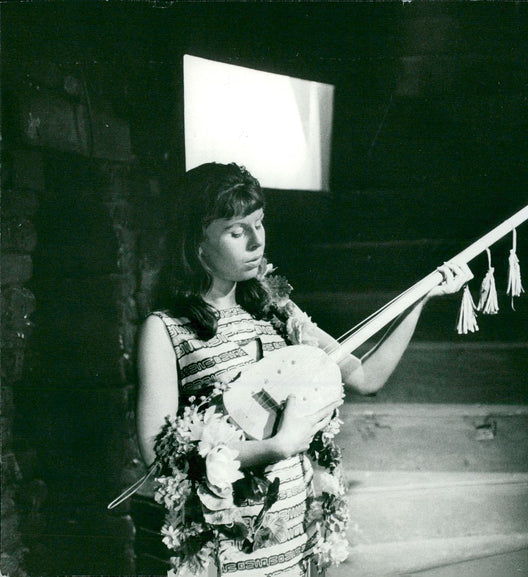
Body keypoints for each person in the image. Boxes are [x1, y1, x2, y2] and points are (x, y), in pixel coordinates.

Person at [136, 162, 471, 576]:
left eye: (260, 223)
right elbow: (158, 454)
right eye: (236, 231)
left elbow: (367, 377)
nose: (256, 241)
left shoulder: (277, 309)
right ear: (196, 243)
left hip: (297, 532)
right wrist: (278, 446)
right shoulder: (165, 329)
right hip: (226, 543)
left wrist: (420, 300)